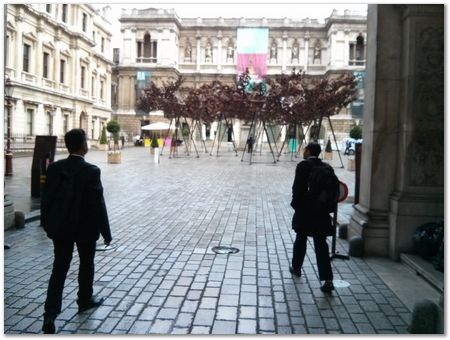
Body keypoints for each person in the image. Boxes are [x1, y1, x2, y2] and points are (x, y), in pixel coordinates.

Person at [40, 129, 112, 334]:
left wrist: (47, 223)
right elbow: (98, 205)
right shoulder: (91, 170)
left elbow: (46, 200)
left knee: (59, 269)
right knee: (86, 264)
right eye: (86, 141)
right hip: (84, 228)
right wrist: (106, 232)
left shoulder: (54, 168)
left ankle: (50, 314)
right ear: (82, 146)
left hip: (61, 226)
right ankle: (84, 300)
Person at [290, 142, 335, 293]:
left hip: (305, 211)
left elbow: (297, 189)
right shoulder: (327, 168)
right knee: (321, 245)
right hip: (321, 212)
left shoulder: (303, 166)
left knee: (300, 239)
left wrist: (297, 207)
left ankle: (296, 268)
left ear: (308, 151)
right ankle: (328, 280)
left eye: (305, 150)